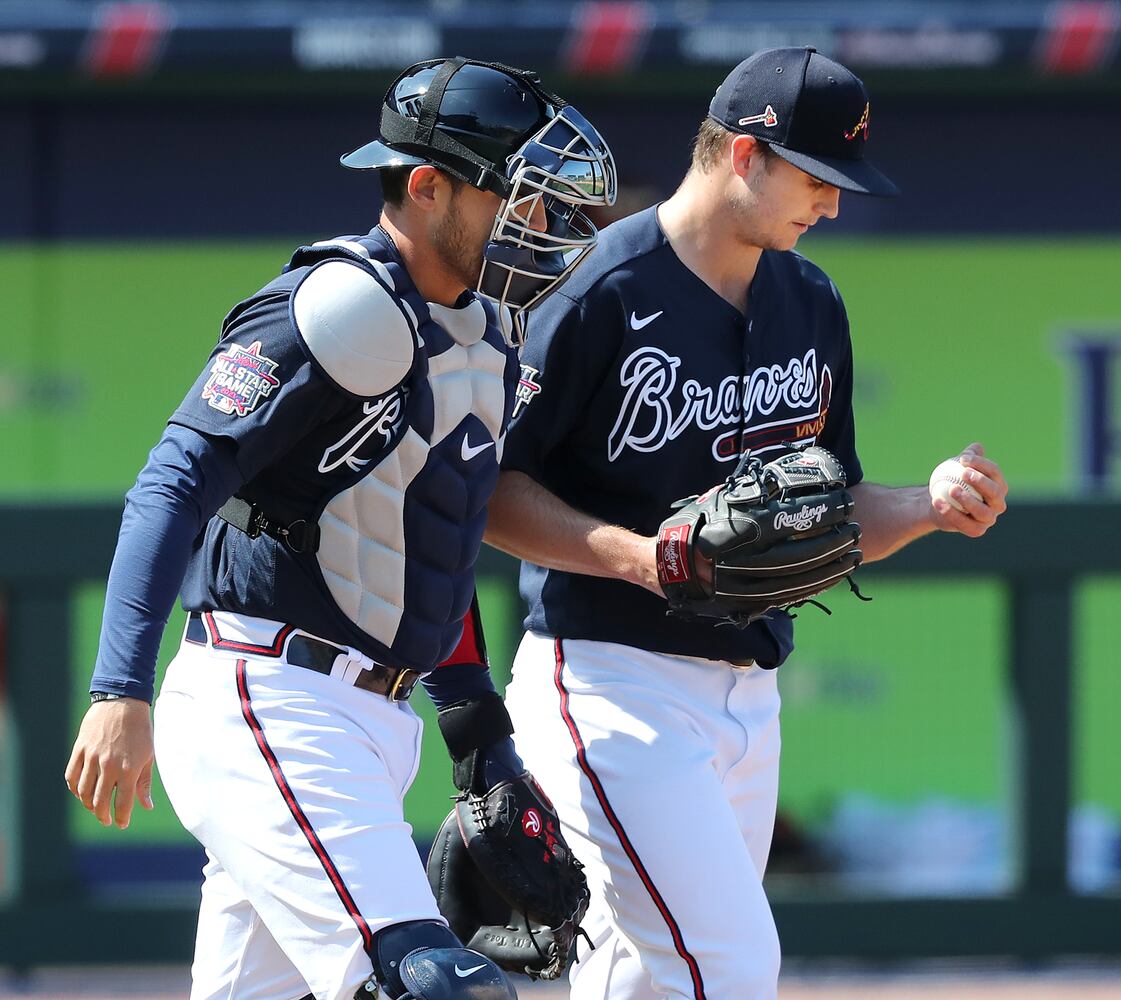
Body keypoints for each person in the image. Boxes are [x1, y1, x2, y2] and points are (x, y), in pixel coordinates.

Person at [64, 56, 616, 1000]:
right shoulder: (341, 303)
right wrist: (120, 688)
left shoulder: (484, 330)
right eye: (515, 196)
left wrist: (477, 730)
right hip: (271, 698)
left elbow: (429, 534)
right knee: (434, 987)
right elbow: (174, 480)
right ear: (426, 186)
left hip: (368, 716)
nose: (540, 223)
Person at [484, 47, 1009, 1000]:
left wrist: (926, 507)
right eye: (815, 178)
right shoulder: (598, 288)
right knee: (727, 966)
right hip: (609, 682)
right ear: (742, 155)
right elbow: (491, 491)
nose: (832, 205)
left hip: (748, 694)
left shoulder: (809, 300)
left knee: (643, 979)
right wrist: (642, 558)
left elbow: (828, 506)